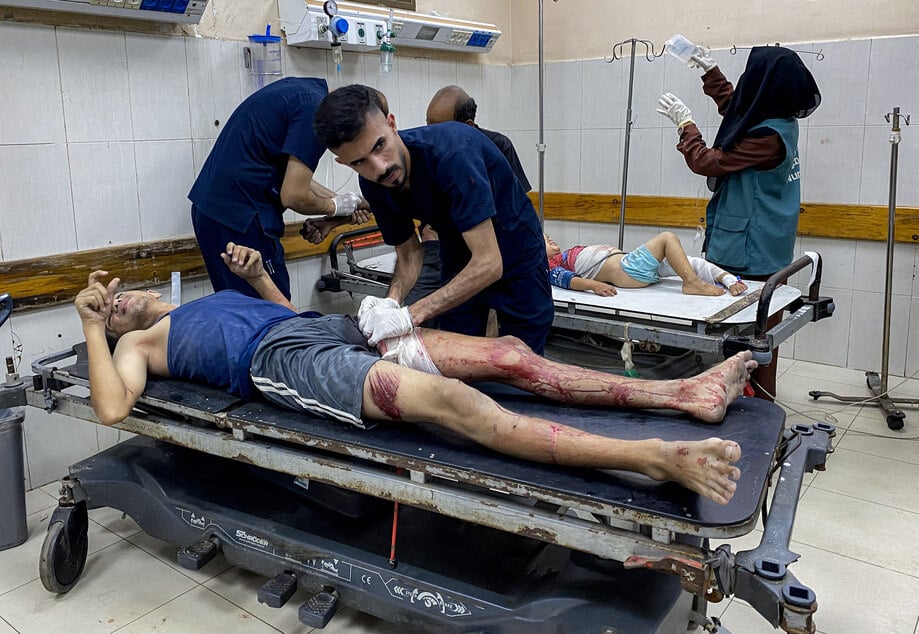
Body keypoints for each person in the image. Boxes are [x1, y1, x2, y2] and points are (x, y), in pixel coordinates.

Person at [74, 242, 758, 505]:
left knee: (508, 355)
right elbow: (110, 408)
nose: (120, 303)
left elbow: (281, 316)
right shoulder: (141, 346)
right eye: (111, 312)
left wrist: (257, 280)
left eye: (119, 294)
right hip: (285, 366)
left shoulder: (200, 300)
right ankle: (654, 457)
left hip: (313, 328)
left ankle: (680, 391)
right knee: (458, 402)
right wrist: (91, 324)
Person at [313, 84, 554, 354]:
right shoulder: (374, 183)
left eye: (380, 146)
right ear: (343, 163)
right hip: (458, 253)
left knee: (524, 359)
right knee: (458, 353)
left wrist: (410, 315)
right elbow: (409, 256)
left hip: (515, 251)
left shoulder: (452, 153)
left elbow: (489, 263)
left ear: (392, 124)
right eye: (360, 162)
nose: (380, 167)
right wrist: (391, 302)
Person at [657, 45, 820, 399]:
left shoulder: (768, 138)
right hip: (764, 243)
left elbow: (709, 162)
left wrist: (687, 127)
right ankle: (744, 405)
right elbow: (739, 109)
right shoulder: (775, 118)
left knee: (751, 347)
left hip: (749, 251)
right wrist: (711, 73)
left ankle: (754, 414)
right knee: (756, 344)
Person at [188, 76, 370, 300]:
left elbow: (294, 178)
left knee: (238, 311)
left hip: (214, 213)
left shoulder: (300, 91)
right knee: (271, 313)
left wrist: (344, 205)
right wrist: (333, 207)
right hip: (241, 219)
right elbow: (294, 195)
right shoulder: (316, 111)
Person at [545, 231, 749, 297]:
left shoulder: (564, 255)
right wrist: (594, 286)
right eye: (544, 240)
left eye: (549, 236)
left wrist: (730, 281)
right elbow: (569, 281)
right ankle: (692, 283)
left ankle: (728, 280)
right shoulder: (550, 266)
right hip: (627, 270)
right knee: (667, 238)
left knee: (687, 262)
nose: (551, 240)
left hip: (631, 265)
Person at [425, 84, 532, 193]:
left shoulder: (499, 147)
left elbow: (517, 203)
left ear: (468, 126)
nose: (430, 137)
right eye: (427, 126)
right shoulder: (425, 151)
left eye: (439, 130)